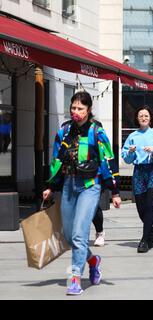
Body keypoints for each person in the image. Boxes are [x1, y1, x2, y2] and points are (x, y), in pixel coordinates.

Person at [42, 91, 121, 295]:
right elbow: (57, 161)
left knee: (79, 234)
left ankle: (75, 278)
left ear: (88, 110)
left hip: (90, 185)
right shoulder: (64, 131)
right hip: (68, 184)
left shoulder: (96, 131)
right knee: (68, 236)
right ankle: (93, 260)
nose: (76, 112)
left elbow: (108, 160)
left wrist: (114, 191)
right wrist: (51, 185)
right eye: (73, 108)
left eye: (80, 108)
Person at [121, 106, 153, 253]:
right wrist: (130, 153)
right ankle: (152, 233)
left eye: (146, 116)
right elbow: (126, 159)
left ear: (150, 118)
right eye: (141, 116)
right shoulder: (132, 136)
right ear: (137, 118)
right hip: (139, 171)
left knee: (149, 205)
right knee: (141, 208)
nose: (143, 118)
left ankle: (144, 240)